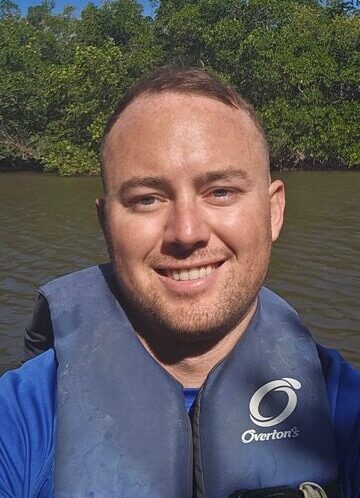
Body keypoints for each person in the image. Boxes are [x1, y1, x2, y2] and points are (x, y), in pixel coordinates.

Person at [0, 66, 359, 498]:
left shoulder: (346, 414)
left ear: (273, 212)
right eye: (147, 199)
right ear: (106, 224)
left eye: (221, 191)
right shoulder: (20, 419)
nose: (187, 232)